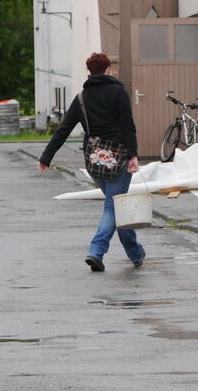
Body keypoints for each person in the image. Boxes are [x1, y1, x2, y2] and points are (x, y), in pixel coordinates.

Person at [38, 53, 145, 272]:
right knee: (113, 206)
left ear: (90, 72)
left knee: (117, 206)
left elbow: (64, 129)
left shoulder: (81, 98)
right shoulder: (118, 92)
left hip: (94, 161)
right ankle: (96, 251)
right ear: (108, 69)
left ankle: (135, 253)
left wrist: (46, 157)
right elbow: (128, 126)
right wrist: (133, 155)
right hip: (118, 160)